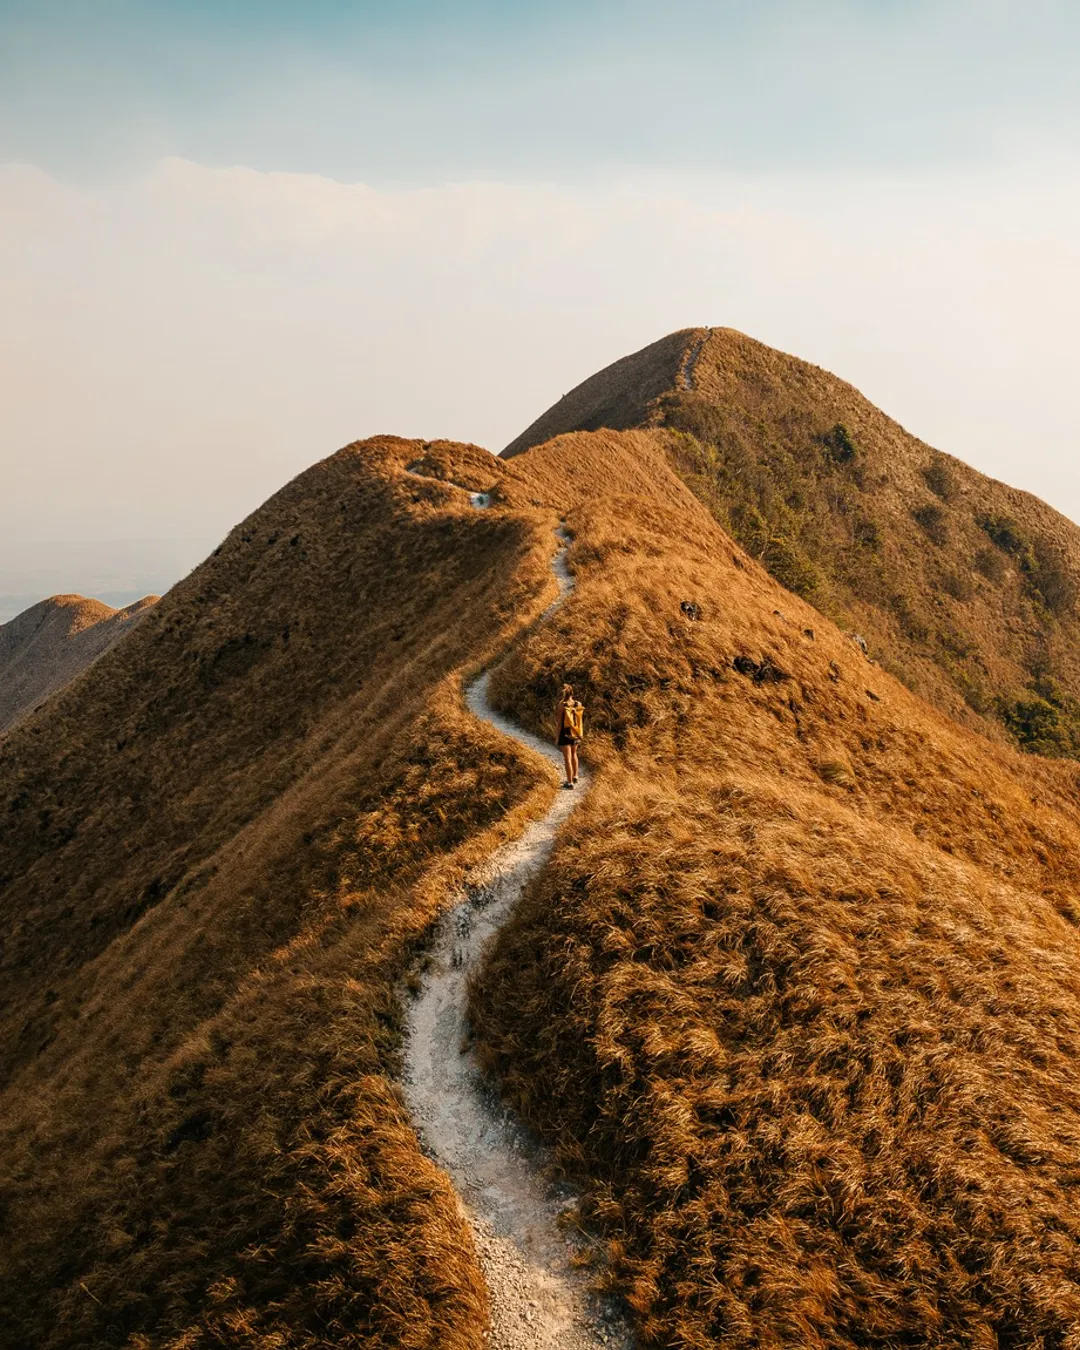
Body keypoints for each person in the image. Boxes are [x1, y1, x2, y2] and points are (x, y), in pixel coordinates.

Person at [555, 683, 584, 788]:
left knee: (567, 758)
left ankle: (569, 782)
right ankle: (575, 776)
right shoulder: (579, 704)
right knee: (574, 754)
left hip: (565, 733)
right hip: (575, 732)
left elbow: (559, 724)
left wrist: (557, 737)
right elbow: (580, 720)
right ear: (572, 693)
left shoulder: (561, 705)